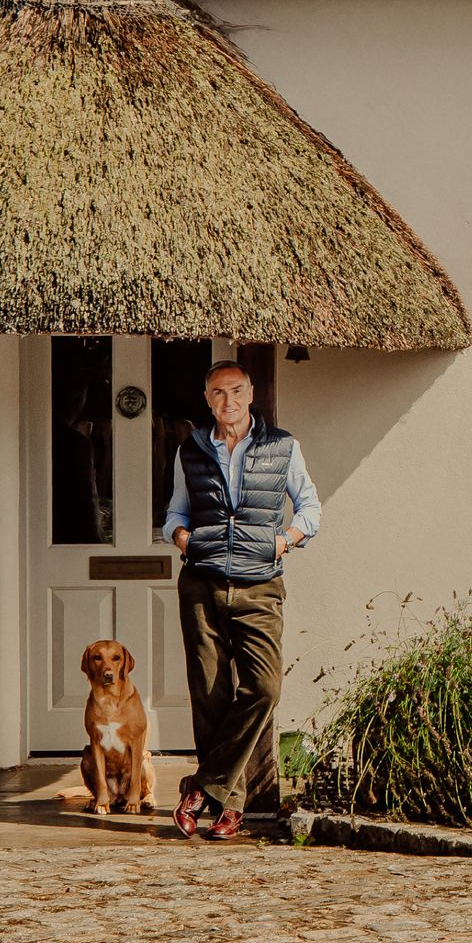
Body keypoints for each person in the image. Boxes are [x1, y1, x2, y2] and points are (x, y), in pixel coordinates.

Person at [163, 359, 321, 839]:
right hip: (202, 583)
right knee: (209, 694)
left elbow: (310, 506)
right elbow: (174, 510)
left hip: (260, 584)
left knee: (264, 688)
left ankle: (201, 789)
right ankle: (230, 809)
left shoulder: (282, 446)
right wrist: (182, 538)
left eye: (235, 391)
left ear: (250, 394)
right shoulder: (189, 450)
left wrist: (285, 540)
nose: (227, 401)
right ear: (207, 399)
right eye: (217, 393)